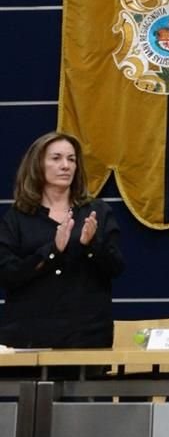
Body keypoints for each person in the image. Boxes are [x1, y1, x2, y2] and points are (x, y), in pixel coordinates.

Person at [0, 132, 123, 348]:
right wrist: (52, 251)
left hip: (86, 336)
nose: (65, 166)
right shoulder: (17, 218)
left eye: (71, 159)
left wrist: (90, 246)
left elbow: (116, 268)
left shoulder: (98, 212)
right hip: (28, 337)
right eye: (56, 158)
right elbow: (8, 275)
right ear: (37, 164)